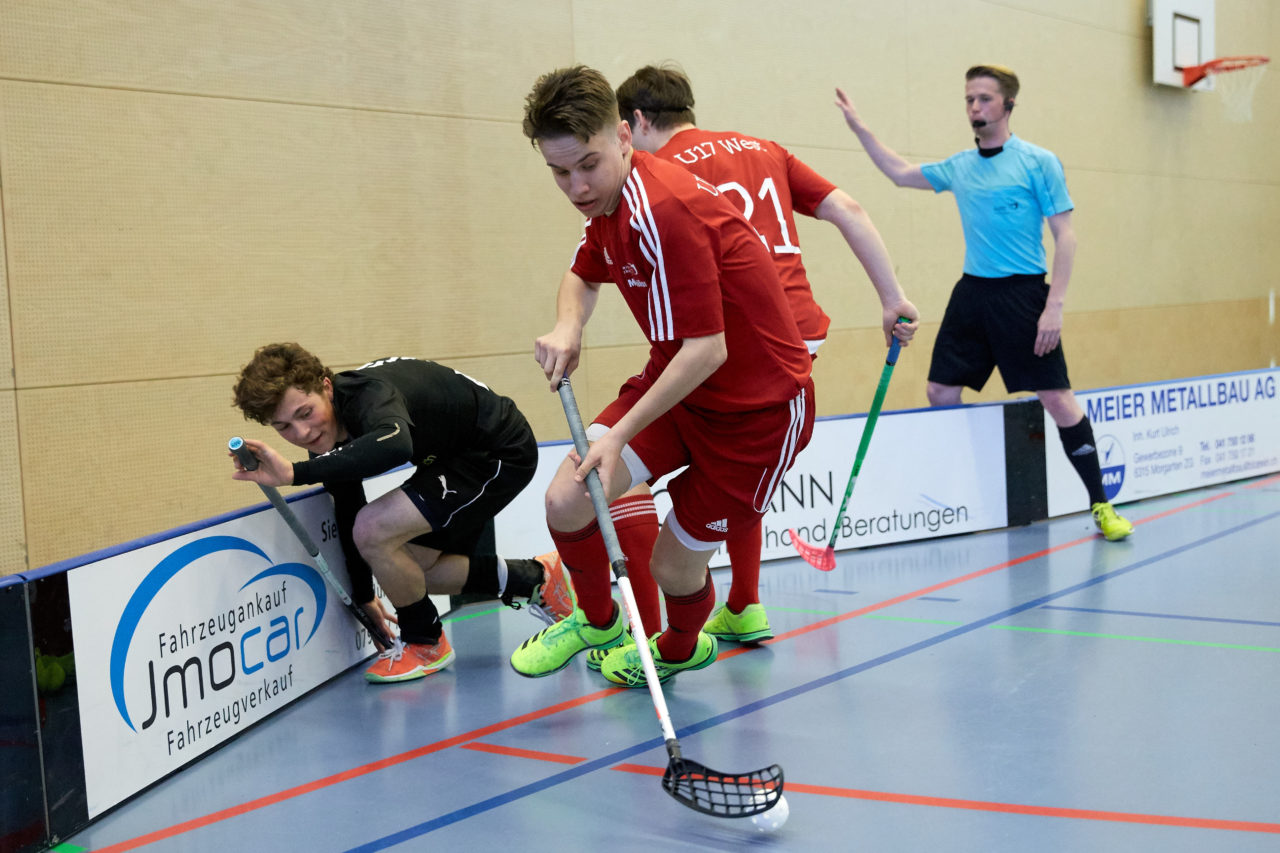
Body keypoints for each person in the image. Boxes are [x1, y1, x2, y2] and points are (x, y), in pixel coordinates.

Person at [592, 63, 918, 653]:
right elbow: (849, 209)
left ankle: (674, 618)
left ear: (635, 122)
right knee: (736, 468)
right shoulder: (766, 150)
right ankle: (743, 603)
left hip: (735, 337)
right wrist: (892, 297)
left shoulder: (652, 175)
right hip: (798, 335)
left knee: (704, 463)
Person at [511, 65, 816, 687]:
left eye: (587, 165)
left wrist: (618, 435)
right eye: (559, 172)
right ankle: (598, 623)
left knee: (672, 570)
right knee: (568, 498)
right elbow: (582, 272)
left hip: (758, 414)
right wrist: (569, 325)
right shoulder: (610, 200)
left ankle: (678, 647)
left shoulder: (666, 209)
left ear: (625, 135)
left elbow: (708, 350)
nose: (575, 186)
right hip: (678, 389)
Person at [835, 64, 1133, 541]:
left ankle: (1101, 504)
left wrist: (1053, 307)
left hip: (1025, 294)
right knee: (940, 391)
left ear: (1008, 105)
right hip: (973, 293)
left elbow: (1067, 238)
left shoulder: (1038, 162)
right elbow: (898, 173)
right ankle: (961, 499)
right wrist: (860, 128)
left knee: (1056, 399)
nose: (975, 107)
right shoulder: (959, 166)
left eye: (985, 99)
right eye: (969, 99)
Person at [230, 343, 575, 684]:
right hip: (450, 460)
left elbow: (397, 444)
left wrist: (295, 473)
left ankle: (425, 643)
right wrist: (364, 595)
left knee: (374, 529)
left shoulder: (370, 397)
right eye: (284, 427)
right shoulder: (330, 436)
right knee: (408, 571)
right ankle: (537, 578)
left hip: (496, 451)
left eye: (305, 413)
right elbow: (350, 510)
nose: (302, 433)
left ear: (326, 386)